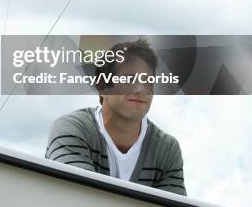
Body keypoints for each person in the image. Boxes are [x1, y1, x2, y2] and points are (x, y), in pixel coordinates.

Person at [45, 39, 186, 195]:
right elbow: (76, 197)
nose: (140, 89)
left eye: (147, 81)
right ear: (102, 87)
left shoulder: (166, 149)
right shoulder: (72, 129)